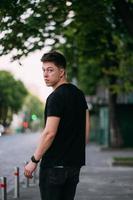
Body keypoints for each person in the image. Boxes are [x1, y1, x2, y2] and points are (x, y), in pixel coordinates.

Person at [24, 50, 90, 200]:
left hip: (53, 168)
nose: (45, 75)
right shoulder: (79, 94)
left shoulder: (55, 97)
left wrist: (34, 161)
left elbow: (49, 133)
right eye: (43, 70)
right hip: (74, 166)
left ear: (62, 72)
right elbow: (86, 129)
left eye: (50, 70)